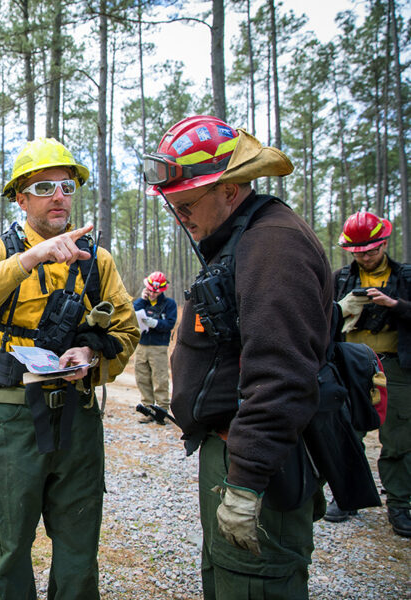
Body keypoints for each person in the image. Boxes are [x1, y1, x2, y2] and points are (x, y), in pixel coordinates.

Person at [147, 116, 333, 599]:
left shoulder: (272, 245)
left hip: (259, 461)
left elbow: (282, 375)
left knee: (254, 583)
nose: (179, 216)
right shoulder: (243, 238)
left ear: (229, 190)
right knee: (229, 579)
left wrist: (246, 483)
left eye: (186, 204)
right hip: (237, 450)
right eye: (173, 205)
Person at [0, 137, 139, 599]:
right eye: (43, 187)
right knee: (11, 541)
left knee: (79, 542)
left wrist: (91, 356)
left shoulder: (97, 259)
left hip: (79, 414)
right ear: (21, 198)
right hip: (14, 414)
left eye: (66, 187)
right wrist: (32, 257)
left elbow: (126, 329)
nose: (59, 196)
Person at [327, 211, 411, 537]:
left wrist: (395, 305)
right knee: (347, 432)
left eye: (371, 251)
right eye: (357, 252)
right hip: (351, 365)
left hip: (395, 367)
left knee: (399, 438)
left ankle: (400, 504)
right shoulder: (341, 279)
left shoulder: (405, 277)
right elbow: (323, 316)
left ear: (384, 243)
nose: (364, 257)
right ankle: (347, 497)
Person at [132, 271, 178, 422]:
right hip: (142, 345)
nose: (152, 294)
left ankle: (162, 409)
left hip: (158, 347)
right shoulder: (142, 302)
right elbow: (132, 312)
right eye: (150, 290)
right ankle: (147, 409)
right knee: (142, 377)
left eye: (155, 292)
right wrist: (141, 299)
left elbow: (170, 323)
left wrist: (156, 323)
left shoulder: (169, 304)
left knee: (159, 378)